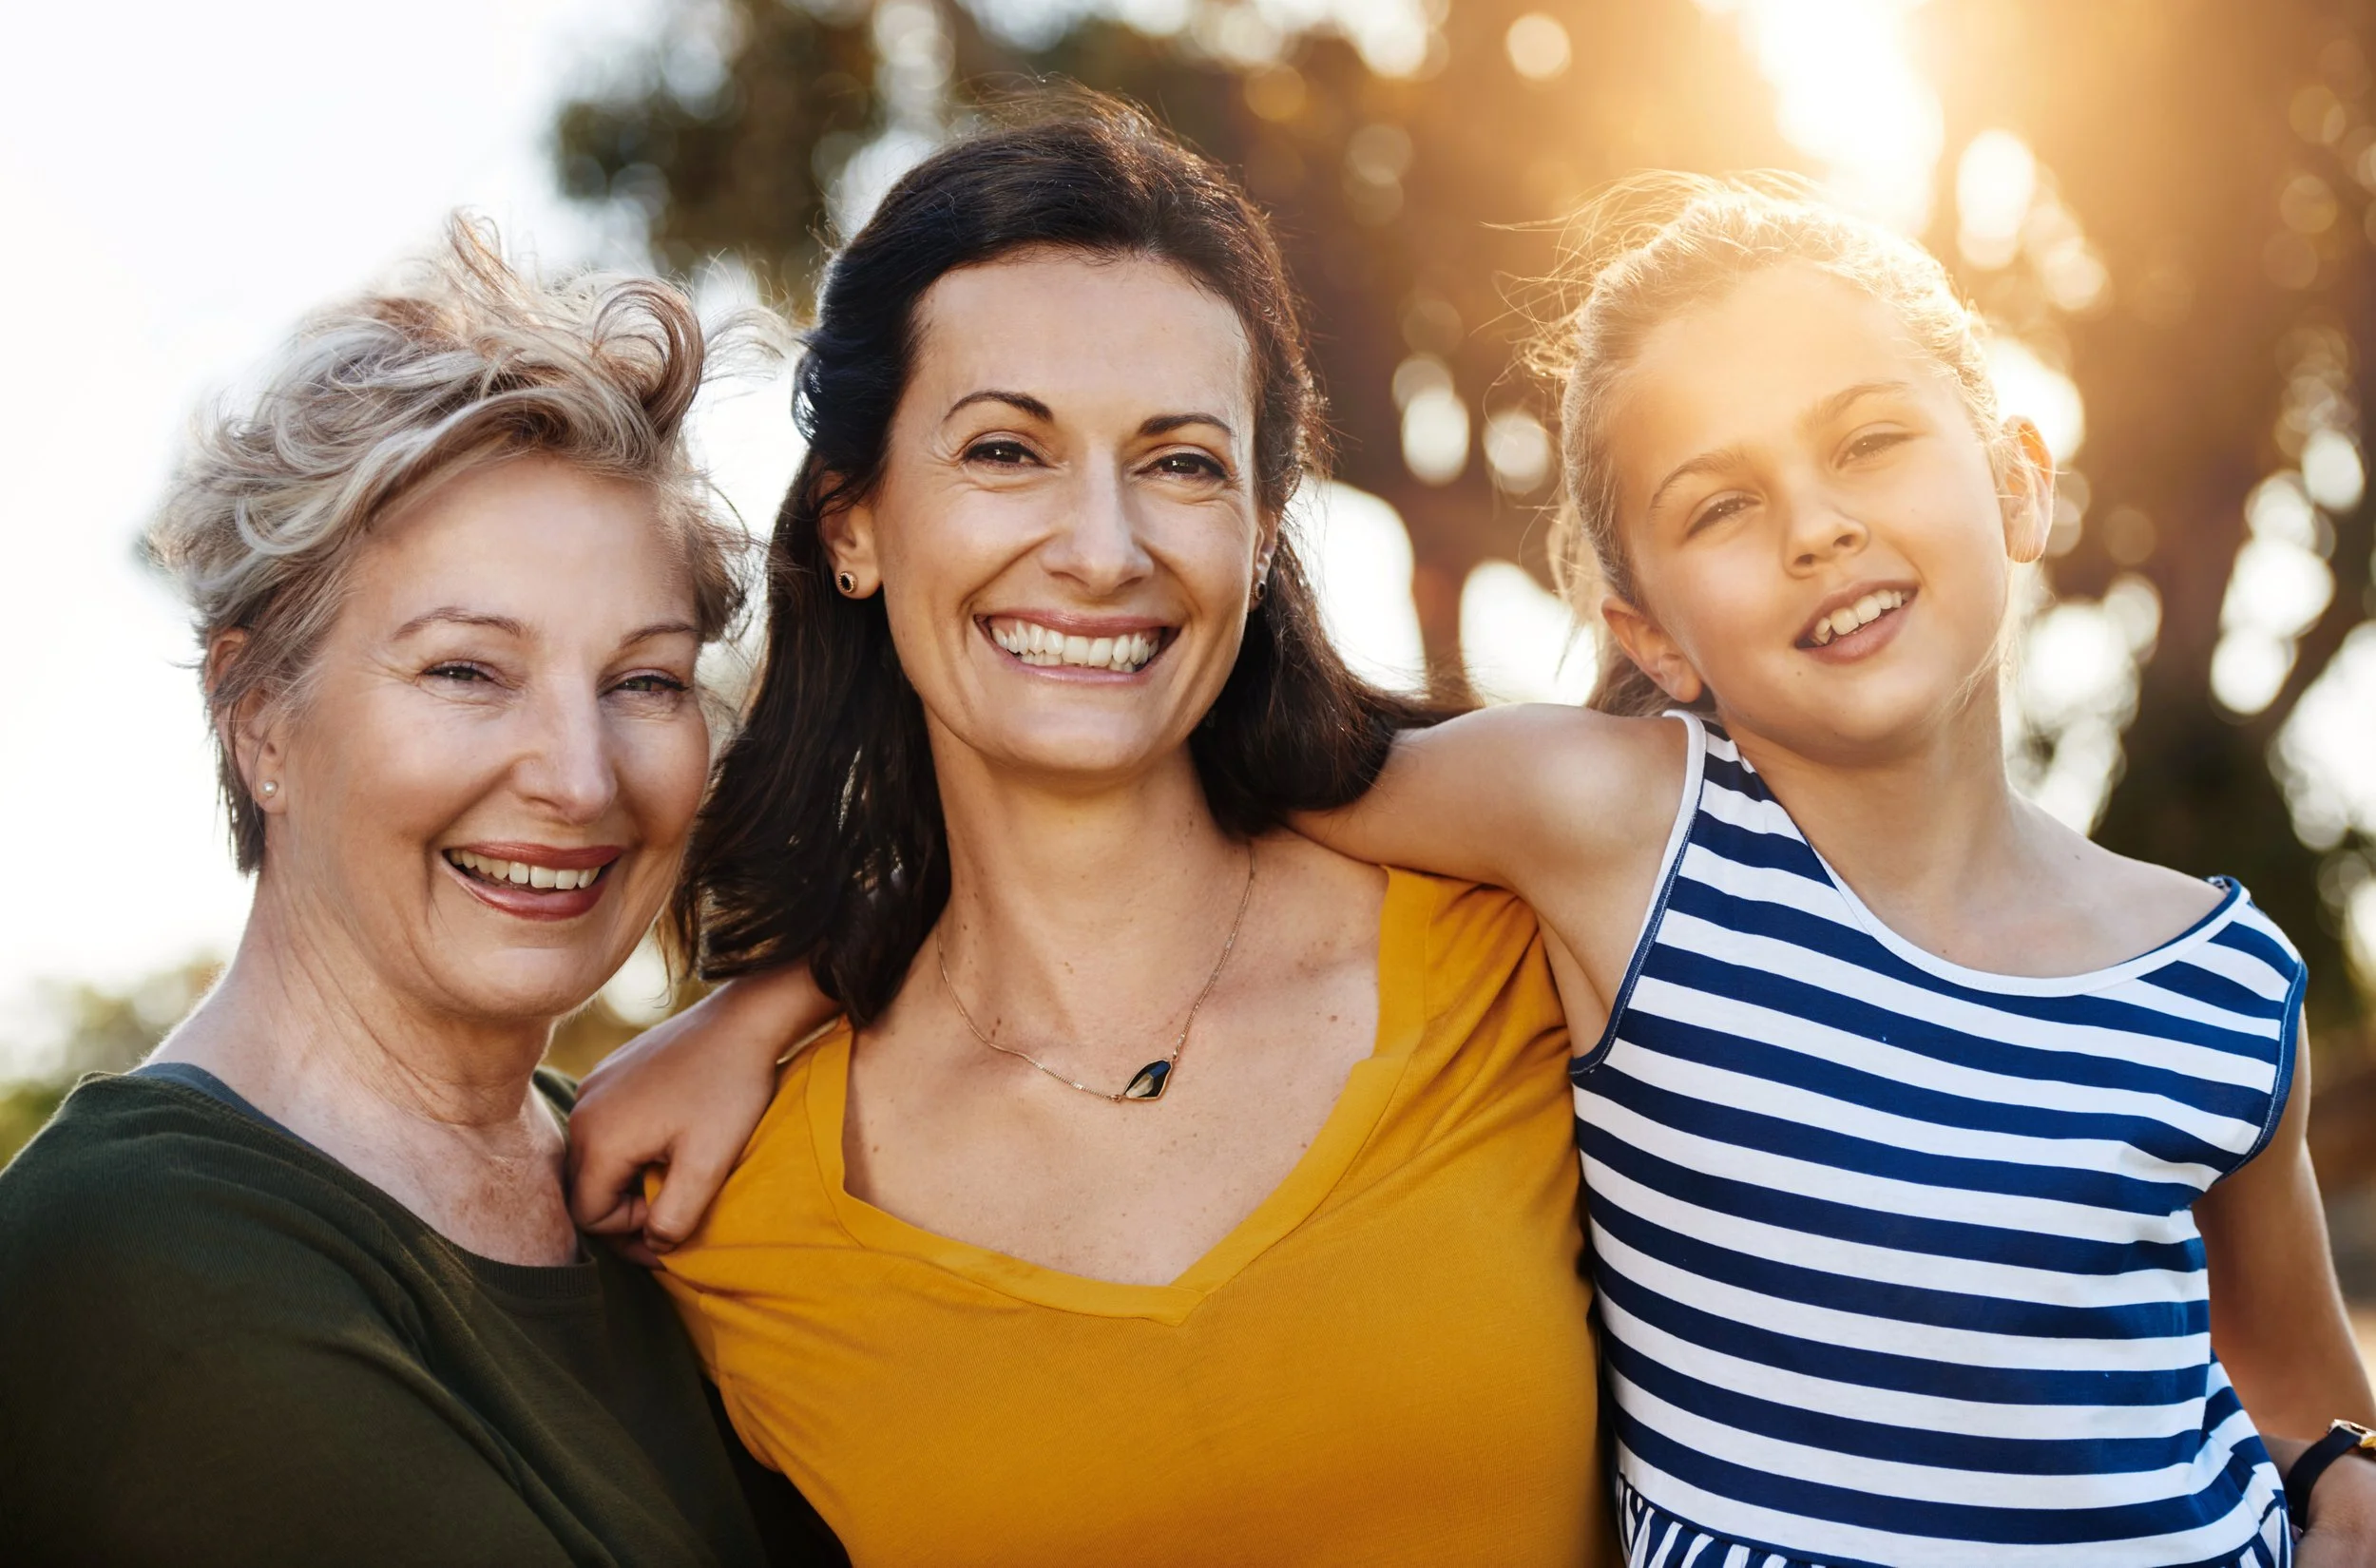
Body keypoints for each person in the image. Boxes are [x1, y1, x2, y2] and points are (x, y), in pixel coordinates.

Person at [575, 172, 2376, 1564]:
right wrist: (782, 998)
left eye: (1874, 439)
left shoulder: (2220, 982)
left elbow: (2295, 1377)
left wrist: (2346, 1480)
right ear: (1643, 629)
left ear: (2022, 477)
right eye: (1722, 503)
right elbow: (1189, 758)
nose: (1822, 523)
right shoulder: (1608, 834)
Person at [572, 102, 1623, 1566]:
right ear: (856, 524)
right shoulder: (734, 1218)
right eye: (1006, 449)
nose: (1102, 547)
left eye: (1182, 462)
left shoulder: (1527, 964)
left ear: (1262, 533)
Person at [0, 224, 839, 1567]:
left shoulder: (641, 1179)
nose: (578, 777)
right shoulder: (140, 1257)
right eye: (466, 671)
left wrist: (786, 999)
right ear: (258, 715)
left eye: (645, 680)